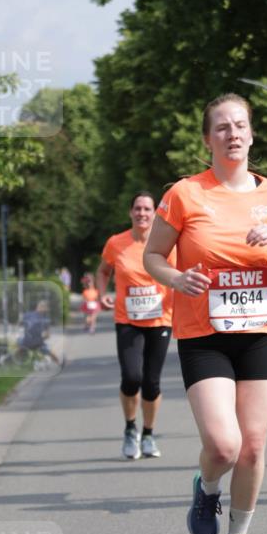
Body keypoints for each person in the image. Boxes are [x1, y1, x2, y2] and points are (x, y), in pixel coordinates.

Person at [143, 93, 267, 534]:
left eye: (240, 125)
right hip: (203, 333)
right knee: (223, 445)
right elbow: (153, 256)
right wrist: (176, 279)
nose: (232, 133)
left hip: (260, 332)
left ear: (252, 135)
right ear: (207, 140)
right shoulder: (185, 194)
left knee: (253, 446)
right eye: (222, 127)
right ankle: (207, 487)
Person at [97, 192, 174, 461]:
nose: (142, 213)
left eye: (147, 209)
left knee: (151, 382)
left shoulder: (167, 243)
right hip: (127, 320)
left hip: (160, 319)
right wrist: (101, 294)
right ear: (131, 212)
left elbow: (178, 274)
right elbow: (103, 271)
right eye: (138, 208)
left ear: (155, 213)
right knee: (132, 377)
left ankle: (148, 434)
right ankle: (131, 429)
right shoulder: (116, 243)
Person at [16, 299, 61, 366]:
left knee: (19, 342)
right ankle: (59, 363)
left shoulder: (27, 315)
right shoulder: (45, 319)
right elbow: (48, 335)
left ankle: (18, 362)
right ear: (45, 310)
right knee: (50, 351)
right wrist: (42, 338)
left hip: (26, 343)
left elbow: (19, 324)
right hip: (38, 344)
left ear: (37, 307)